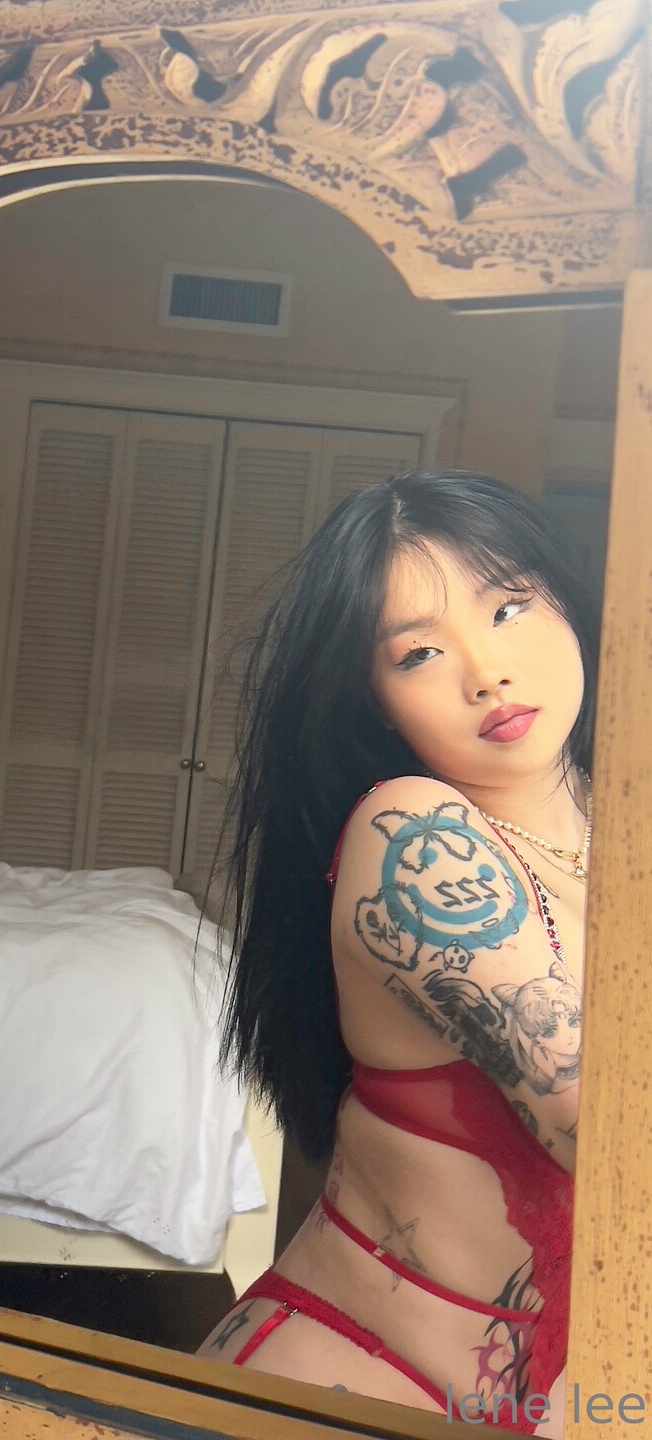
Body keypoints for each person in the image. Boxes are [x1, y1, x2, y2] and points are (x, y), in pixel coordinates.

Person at [198, 471, 595, 1436]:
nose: (486, 673)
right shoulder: (417, 837)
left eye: (509, 608)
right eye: (419, 652)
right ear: (375, 701)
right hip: (344, 1393)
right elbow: (598, 1128)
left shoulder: (615, 825)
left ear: (567, 601)